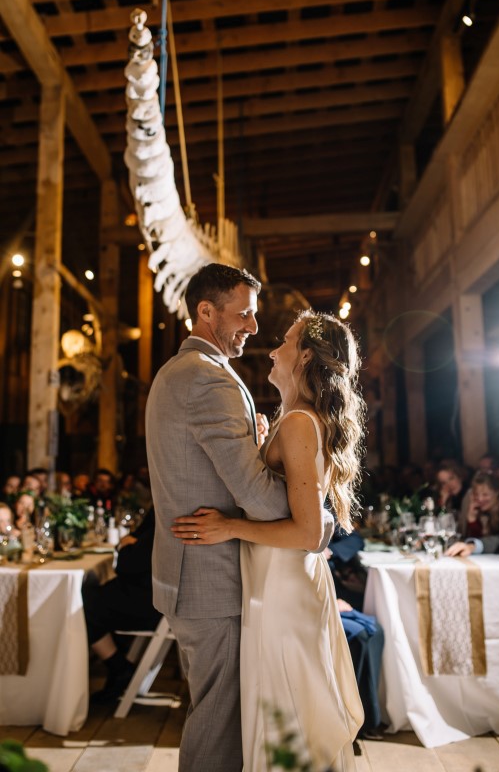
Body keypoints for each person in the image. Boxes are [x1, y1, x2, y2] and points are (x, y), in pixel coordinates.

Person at [146, 264, 333, 772]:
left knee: (216, 713)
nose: (254, 326)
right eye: (244, 313)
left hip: (191, 571)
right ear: (206, 312)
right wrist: (317, 517)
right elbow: (259, 496)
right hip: (212, 576)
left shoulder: (181, 373)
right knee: (218, 721)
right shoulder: (209, 381)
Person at [172, 310, 365, 771]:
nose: (273, 349)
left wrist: (230, 526)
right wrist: (261, 448)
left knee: (288, 712)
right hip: (276, 579)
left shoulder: (299, 423)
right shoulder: (293, 419)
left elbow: (308, 531)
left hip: (284, 587)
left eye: (285, 341)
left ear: (303, 358)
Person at [83, 507, 160, 703]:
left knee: (82, 603)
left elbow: (127, 565)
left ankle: (119, 667)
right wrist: (129, 544)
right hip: (151, 594)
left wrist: (125, 547)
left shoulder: (166, 510)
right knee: (92, 594)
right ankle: (118, 667)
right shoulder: (165, 506)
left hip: (152, 602)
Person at [457, 470, 499, 539]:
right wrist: (472, 518)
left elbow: (484, 544)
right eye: (476, 494)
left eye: (485, 495)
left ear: (496, 493)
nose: (480, 499)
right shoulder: (477, 511)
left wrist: (472, 521)